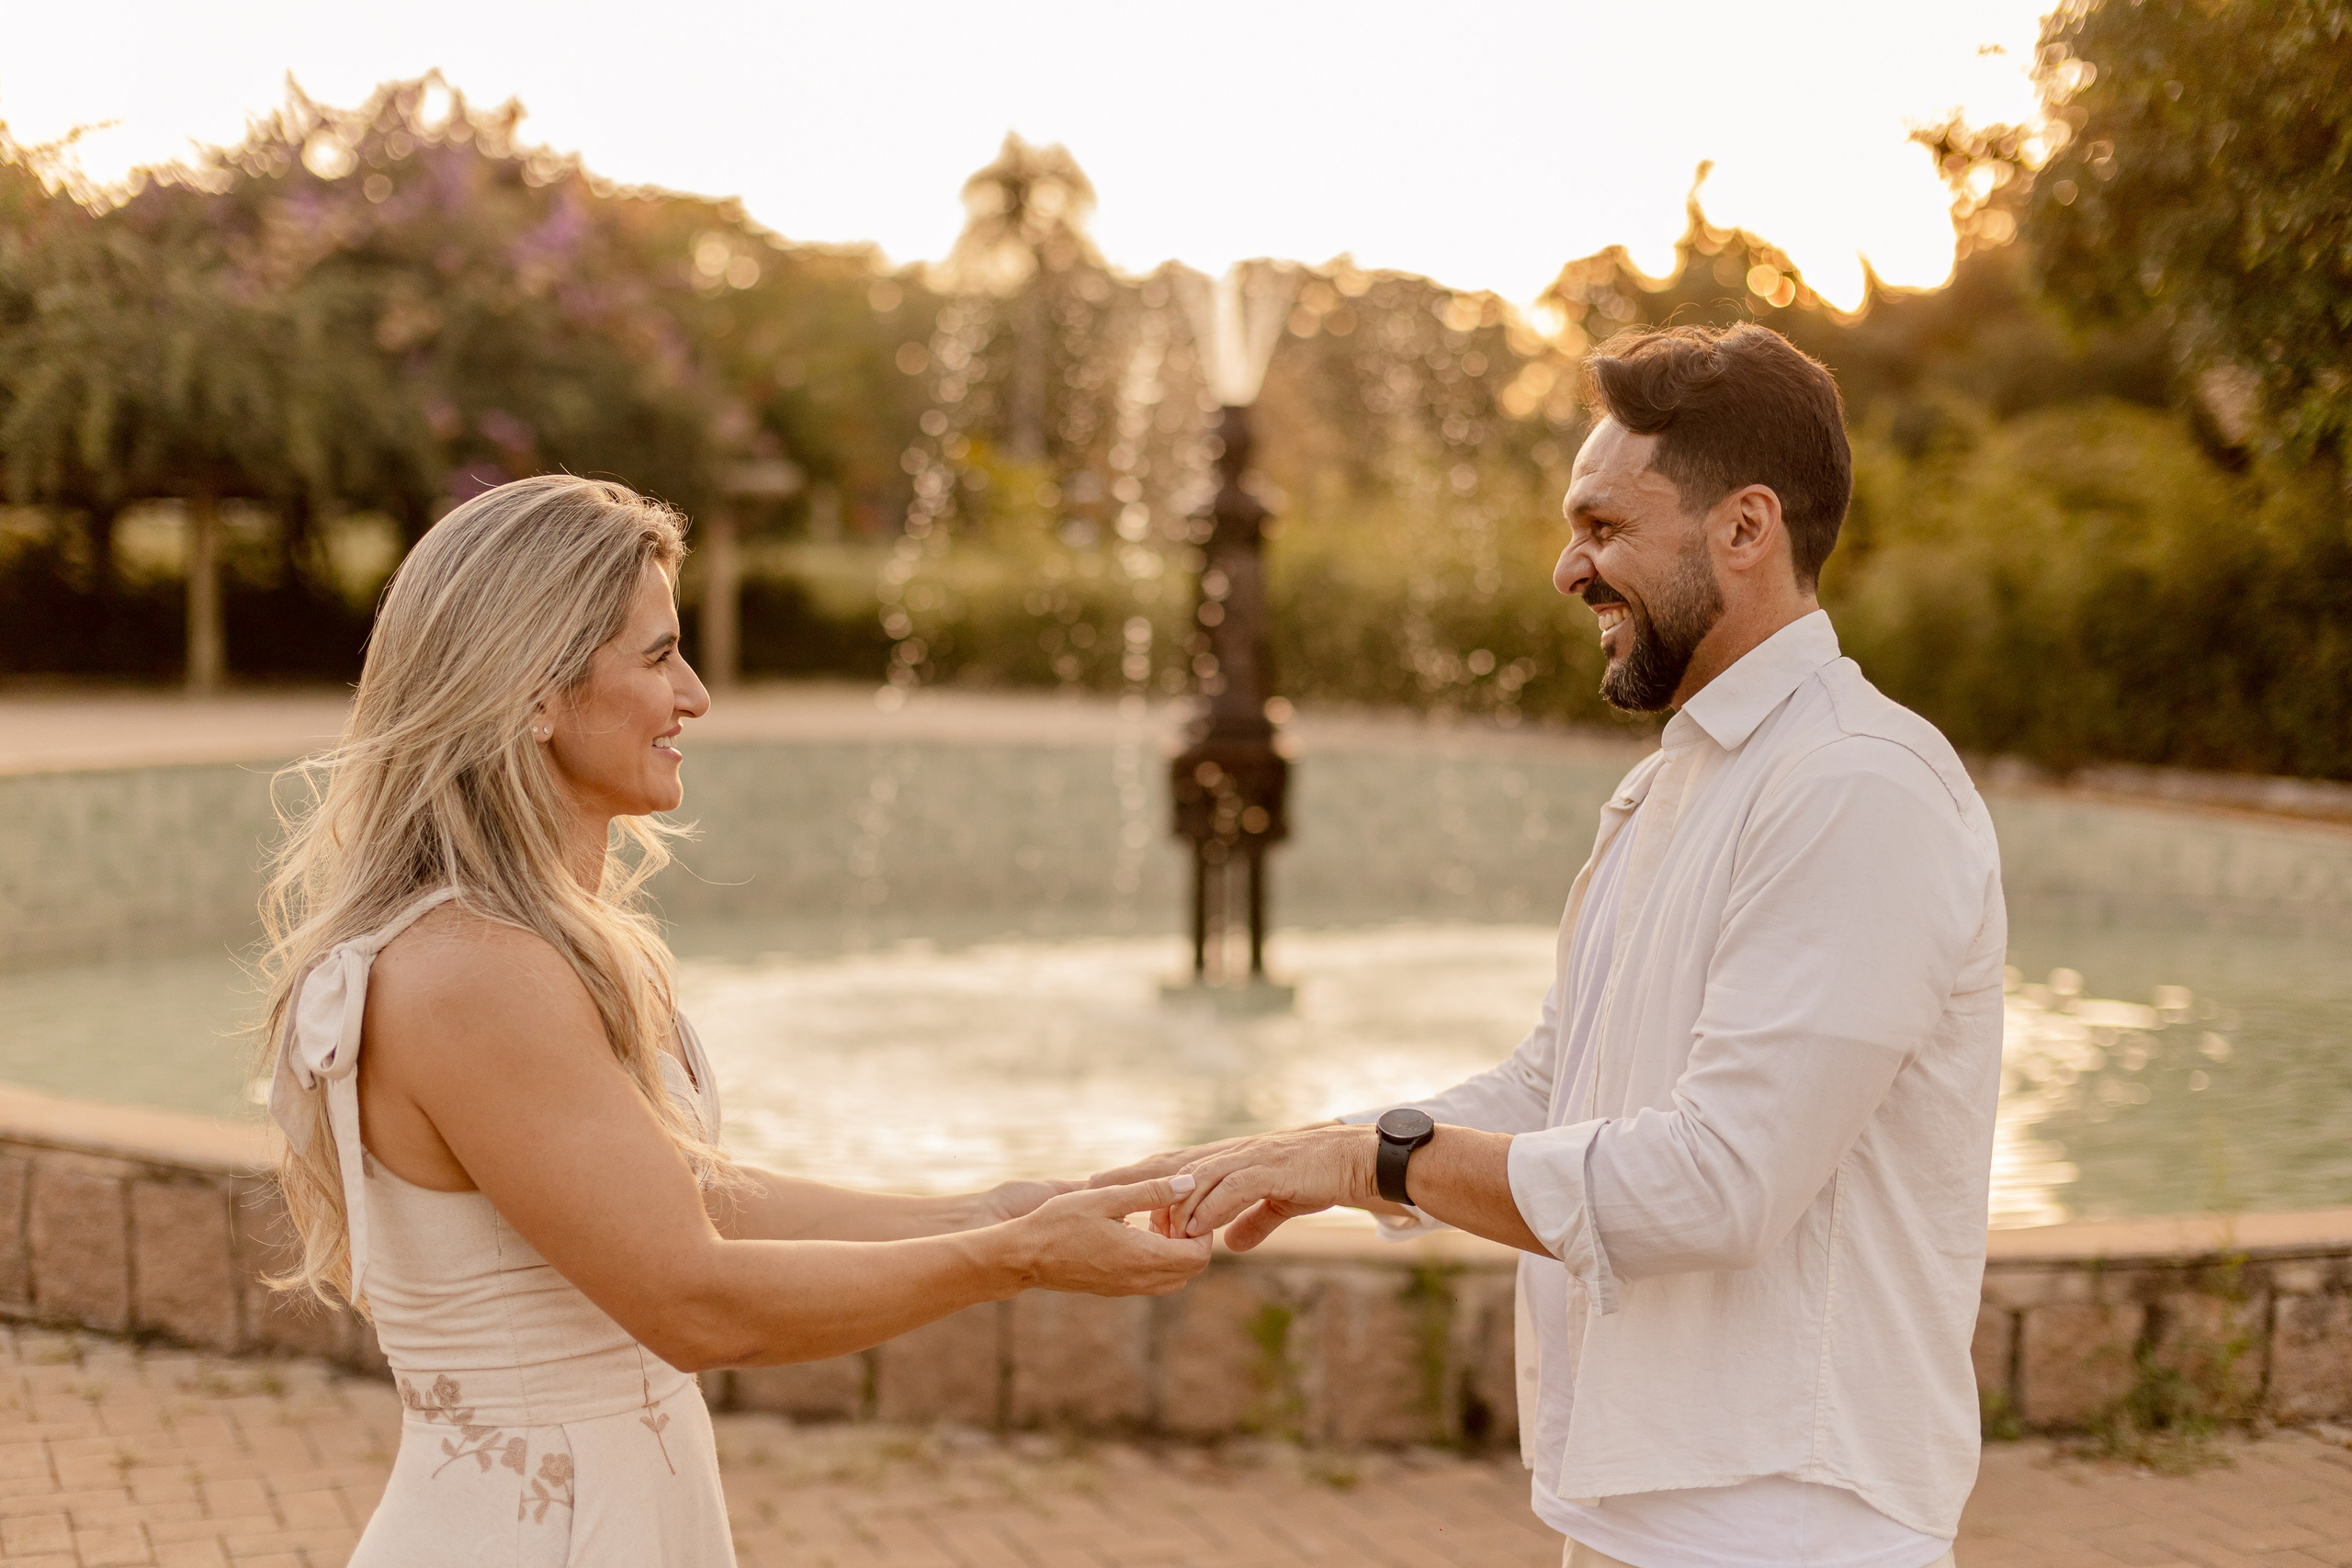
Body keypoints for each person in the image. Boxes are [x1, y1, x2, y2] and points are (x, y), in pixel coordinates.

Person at [1104, 324, 2004, 1568]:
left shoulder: (1856, 785)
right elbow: (1557, 1084)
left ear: (1745, 529)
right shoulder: (1679, 782)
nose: (1567, 569)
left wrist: (1382, 1161)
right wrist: (1305, 1152)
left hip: (1791, 1525)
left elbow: (1720, 1181)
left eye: (1604, 526)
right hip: (1641, 1513)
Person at [257, 475, 1209, 1566]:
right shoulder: (473, 972)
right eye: (660, 656)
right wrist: (1015, 1258)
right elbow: (695, 1303)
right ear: (534, 694)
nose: (696, 696)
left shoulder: (519, 946)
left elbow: (681, 1199)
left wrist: (992, 1206)